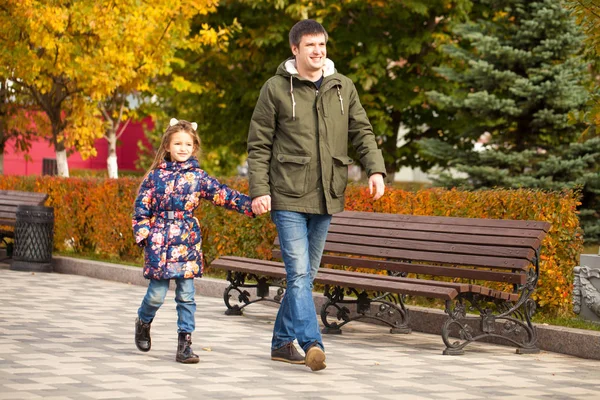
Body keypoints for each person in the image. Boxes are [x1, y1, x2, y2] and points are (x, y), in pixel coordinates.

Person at [247, 19, 386, 371]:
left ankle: (280, 343)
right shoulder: (275, 88)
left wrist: (375, 169)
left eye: (322, 45)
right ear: (295, 49)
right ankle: (312, 342)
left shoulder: (343, 87)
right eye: (310, 45)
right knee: (298, 274)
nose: (318, 51)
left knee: (306, 276)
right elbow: (259, 144)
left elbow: (362, 130)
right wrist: (260, 190)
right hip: (288, 195)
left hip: (327, 194)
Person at [132, 118, 254, 363]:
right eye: (178, 143)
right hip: (159, 240)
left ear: (194, 147)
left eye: (188, 144)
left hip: (186, 240)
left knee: (186, 295)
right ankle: (143, 321)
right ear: (167, 145)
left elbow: (223, 194)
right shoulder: (155, 177)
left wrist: (250, 204)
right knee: (156, 294)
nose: (183, 148)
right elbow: (141, 207)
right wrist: (143, 233)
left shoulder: (198, 177)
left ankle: (185, 344)